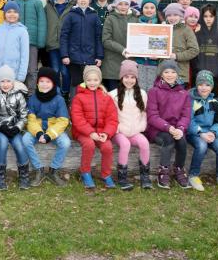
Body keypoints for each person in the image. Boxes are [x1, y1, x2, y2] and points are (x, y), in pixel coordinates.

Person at [186, 70, 218, 192]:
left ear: (212, 87)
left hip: (210, 133)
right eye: (201, 84)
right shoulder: (190, 100)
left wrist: (213, 132)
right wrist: (200, 133)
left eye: (207, 85)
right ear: (196, 85)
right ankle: (193, 175)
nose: (204, 88)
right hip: (194, 133)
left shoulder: (215, 102)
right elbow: (188, 120)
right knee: (202, 146)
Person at [146, 60, 191, 189]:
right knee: (168, 140)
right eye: (166, 72)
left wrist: (181, 128)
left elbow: (186, 115)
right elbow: (152, 116)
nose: (170, 75)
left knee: (181, 141)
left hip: (177, 129)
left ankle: (179, 169)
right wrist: (168, 128)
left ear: (177, 74)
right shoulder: (154, 91)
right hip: (158, 129)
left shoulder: (184, 93)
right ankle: (163, 171)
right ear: (161, 74)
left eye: (173, 72)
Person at [22, 67, 71, 187]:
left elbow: (63, 121)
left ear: (53, 84)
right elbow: (30, 120)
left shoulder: (59, 100)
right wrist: (38, 133)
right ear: (37, 82)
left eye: (48, 82)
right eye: (42, 81)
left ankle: (54, 170)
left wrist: (49, 135)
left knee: (65, 143)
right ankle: (39, 169)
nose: (44, 84)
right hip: (37, 130)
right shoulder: (33, 98)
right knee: (25, 140)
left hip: (53, 130)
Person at [71, 65, 118, 189]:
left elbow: (112, 119)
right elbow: (77, 119)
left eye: (95, 80)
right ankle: (85, 172)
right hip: (83, 132)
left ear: (100, 80)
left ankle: (106, 174)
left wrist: (106, 133)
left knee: (107, 147)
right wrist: (90, 132)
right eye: (89, 80)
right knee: (89, 144)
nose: (92, 83)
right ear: (85, 81)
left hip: (101, 132)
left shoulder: (106, 97)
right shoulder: (78, 97)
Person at [0, 65, 30, 190]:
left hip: (14, 128)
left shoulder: (19, 96)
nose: (5, 84)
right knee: (3, 143)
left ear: (13, 81)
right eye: (2, 81)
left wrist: (17, 128)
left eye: (8, 81)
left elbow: (24, 115)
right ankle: (0, 176)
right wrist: (1, 127)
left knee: (19, 145)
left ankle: (24, 175)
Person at [109, 60, 152, 190]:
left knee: (144, 143)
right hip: (119, 131)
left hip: (135, 130)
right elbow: (110, 116)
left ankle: (145, 177)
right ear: (121, 77)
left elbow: (144, 113)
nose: (129, 80)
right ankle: (122, 178)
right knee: (125, 144)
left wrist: (141, 126)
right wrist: (118, 129)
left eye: (133, 77)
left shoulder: (142, 94)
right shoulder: (113, 94)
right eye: (126, 77)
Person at [59, 0, 103, 100]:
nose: (83, 0)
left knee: (89, 83)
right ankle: (74, 106)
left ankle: (87, 109)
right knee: (76, 83)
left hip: (90, 57)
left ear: (90, 0)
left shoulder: (94, 16)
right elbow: (64, 36)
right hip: (73, 58)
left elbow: (98, 37)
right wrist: (65, 55)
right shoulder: (71, 15)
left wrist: (99, 56)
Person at [101, 0, 139, 91]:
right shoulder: (110, 19)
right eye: (120, 4)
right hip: (112, 65)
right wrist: (122, 50)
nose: (123, 7)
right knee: (113, 96)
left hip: (129, 63)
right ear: (116, 5)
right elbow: (106, 40)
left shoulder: (135, 19)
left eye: (126, 4)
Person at [14, 0, 46, 95]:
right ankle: (18, 92)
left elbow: (42, 22)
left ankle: (31, 93)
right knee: (19, 67)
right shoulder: (15, 2)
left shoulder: (37, 2)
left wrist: (40, 41)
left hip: (32, 42)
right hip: (17, 42)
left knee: (31, 68)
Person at [45, 0, 75, 101]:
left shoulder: (72, 6)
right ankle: (56, 93)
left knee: (65, 71)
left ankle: (65, 92)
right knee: (55, 70)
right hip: (52, 43)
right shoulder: (49, 5)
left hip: (66, 45)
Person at [0, 2, 29, 85]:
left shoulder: (22, 31)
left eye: (15, 12)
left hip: (14, 72)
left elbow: (25, 55)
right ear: (4, 14)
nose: (12, 14)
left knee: (12, 97)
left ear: (19, 14)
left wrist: (22, 75)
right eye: (9, 12)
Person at [191, 4, 218, 96]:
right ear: (201, 17)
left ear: (215, 17)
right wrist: (198, 70)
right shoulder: (195, 36)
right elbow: (193, 55)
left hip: (215, 76)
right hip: (198, 75)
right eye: (205, 16)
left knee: (213, 100)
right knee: (197, 101)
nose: (208, 19)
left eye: (211, 16)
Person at [164, 3, 199, 85]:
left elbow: (194, 50)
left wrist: (176, 56)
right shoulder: (163, 29)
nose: (172, 18)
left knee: (177, 97)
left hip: (180, 74)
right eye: (169, 15)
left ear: (181, 16)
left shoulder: (187, 30)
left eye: (175, 15)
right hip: (164, 73)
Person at [135, 0, 160, 90]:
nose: (149, 10)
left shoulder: (161, 25)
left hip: (154, 63)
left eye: (152, 7)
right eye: (146, 7)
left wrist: (159, 55)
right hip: (139, 62)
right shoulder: (136, 23)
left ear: (156, 9)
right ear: (142, 9)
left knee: (152, 89)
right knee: (140, 90)